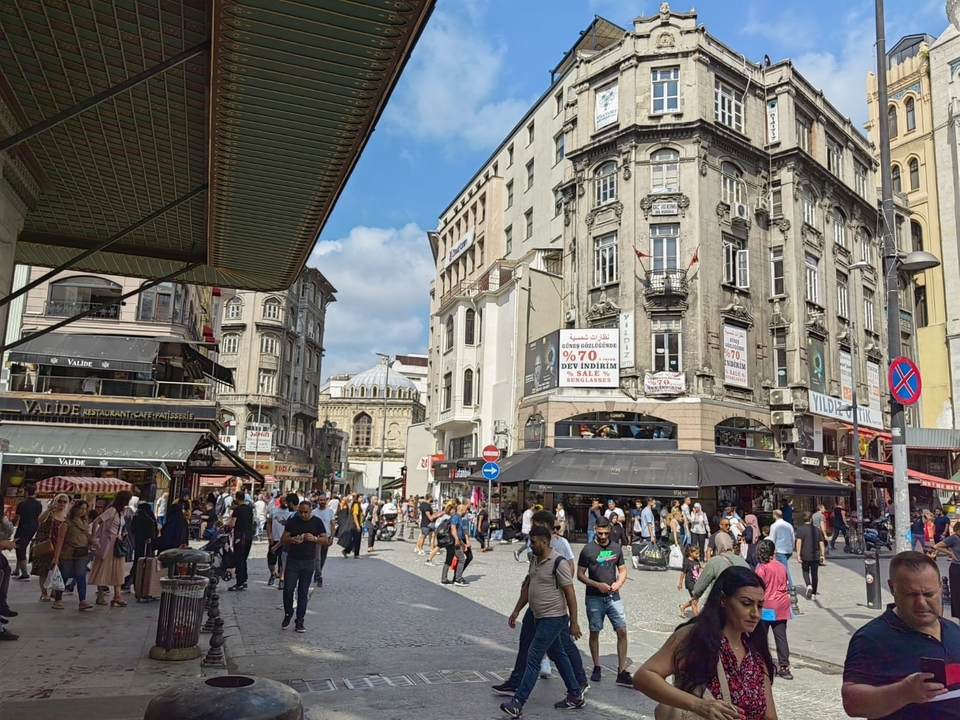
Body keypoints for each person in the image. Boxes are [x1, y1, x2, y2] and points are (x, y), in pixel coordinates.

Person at [633, 566, 778, 720]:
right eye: (746, 603)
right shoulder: (694, 638)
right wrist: (699, 705)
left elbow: (769, 715)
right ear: (723, 600)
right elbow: (643, 677)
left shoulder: (755, 650)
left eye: (760, 605)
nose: (755, 613)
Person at [842, 551, 960, 719]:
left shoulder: (955, 631)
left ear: (940, 586)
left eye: (929, 594)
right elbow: (851, 704)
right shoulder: (871, 639)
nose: (921, 603)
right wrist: (903, 692)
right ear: (892, 588)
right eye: (911, 594)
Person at [500, 526, 585, 718]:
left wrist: (575, 623)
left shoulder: (558, 563)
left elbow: (570, 595)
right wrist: (516, 610)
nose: (531, 545)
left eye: (534, 542)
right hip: (539, 616)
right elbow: (528, 587)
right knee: (558, 654)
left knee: (534, 656)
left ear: (545, 542)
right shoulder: (534, 559)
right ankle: (575, 694)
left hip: (554, 618)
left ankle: (518, 702)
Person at [577, 516, 631, 685]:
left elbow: (622, 570)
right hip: (594, 597)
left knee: (622, 630)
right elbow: (579, 574)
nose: (602, 537)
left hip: (613, 596)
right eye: (600, 533)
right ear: (595, 531)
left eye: (606, 533)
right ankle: (597, 666)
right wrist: (596, 584)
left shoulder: (616, 548)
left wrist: (619, 583)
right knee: (595, 631)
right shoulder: (588, 550)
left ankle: (621, 671)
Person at [279, 500, 329, 633]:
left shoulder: (317, 522)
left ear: (310, 511)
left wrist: (314, 539)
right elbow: (283, 538)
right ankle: (288, 613)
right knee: (288, 589)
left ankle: (300, 620)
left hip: (308, 561)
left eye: (305, 512)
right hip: (292, 560)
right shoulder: (293, 521)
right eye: (300, 512)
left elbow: (326, 540)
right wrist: (291, 540)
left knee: (303, 592)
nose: (302, 515)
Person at [754, 539, 794, 681]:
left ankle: (762, 663)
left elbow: (758, 587)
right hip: (782, 604)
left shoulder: (761, 568)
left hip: (767, 605)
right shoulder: (781, 566)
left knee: (761, 636)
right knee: (781, 636)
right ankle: (784, 666)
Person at [89, 490, 133, 607]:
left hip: (117, 541)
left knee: (118, 569)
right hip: (109, 542)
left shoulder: (121, 512)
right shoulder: (112, 511)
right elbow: (96, 521)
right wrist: (93, 537)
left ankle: (117, 596)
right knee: (103, 567)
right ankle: (102, 595)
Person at [51, 500, 94, 611]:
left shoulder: (84, 522)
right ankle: (58, 598)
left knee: (81, 576)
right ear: (75, 509)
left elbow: (86, 536)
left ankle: (82, 600)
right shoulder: (66, 523)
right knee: (64, 575)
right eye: (80, 509)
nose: (82, 511)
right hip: (67, 553)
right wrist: (56, 557)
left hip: (81, 553)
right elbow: (60, 541)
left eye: (85, 509)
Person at [691, 532, 750, 608]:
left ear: (717, 545)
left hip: (721, 605)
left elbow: (698, 589)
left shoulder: (715, 561)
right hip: (741, 606)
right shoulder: (743, 562)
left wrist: (696, 597)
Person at [32, 493, 69, 604]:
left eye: (64, 501)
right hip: (46, 544)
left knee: (56, 569)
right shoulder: (49, 513)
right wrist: (49, 510)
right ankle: (44, 593)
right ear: (55, 501)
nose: (62, 503)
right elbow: (40, 519)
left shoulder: (66, 516)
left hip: (59, 546)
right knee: (43, 570)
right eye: (59, 501)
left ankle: (53, 590)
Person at [225, 491, 254, 591]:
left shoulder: (237, 509)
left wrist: (226, 526)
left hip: (240, 536)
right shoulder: (249, 508)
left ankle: (240, 582)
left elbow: (232, 523)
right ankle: (244, 579)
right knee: (244, 558)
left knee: (239, 558)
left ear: (237, 498)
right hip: (249, 535)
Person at [13, 485, 42, 580]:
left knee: (19, 547)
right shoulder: (38, 504)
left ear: (26, 492)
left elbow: (17, 517)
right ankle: (17, 570)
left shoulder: (22, 504)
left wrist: (10, 524)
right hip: (34, 527)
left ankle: (24, 573)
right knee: (23, 546)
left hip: (23, 527)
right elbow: (39, 516)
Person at [128, 502, 158, 594]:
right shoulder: (150, 519)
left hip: (139, 545)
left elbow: (132, 529)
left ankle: (131, 583)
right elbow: (154, 533)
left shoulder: (138, 518)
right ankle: (139, 585)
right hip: (147, 546)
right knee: (144, 566)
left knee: (138, 565)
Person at [268, 493, 297, 587]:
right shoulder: (274, 510)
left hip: (286, 540)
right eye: (283, 500)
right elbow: (269, 523)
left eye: (287, 501)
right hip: (275, 538)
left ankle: (282, 579)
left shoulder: (292, 513)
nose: (285, 503)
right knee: (271, 560)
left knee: (283, 560)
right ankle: (273, 573)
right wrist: (269, 535)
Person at [794, 511, 826, 599]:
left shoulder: (800, 529)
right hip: (815, 555)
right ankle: (814, 593)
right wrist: (822, 554)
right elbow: (821, 543)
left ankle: (808, 585)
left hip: (805, 554)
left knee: (805, 571)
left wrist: (798, 554)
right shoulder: (817, 530)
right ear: (811, 519)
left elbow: (799, 542)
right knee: (814, 574)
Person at [441, 503, 472, 587]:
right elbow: (453, 528)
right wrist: (457, 540)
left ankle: (444, 579)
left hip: (451, 541)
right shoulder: (456, 517)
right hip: (453, 541)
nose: (466, 512)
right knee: (461, 558)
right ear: (461, 510)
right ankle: (458, 579)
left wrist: (463, 543)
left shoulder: (458, 517)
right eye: (465, 511)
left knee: (449, 559)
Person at [311, 494, 336, 587]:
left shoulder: (330, 512)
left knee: (323, 557)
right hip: (317, 537)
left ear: (326, 501)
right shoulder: (313, 512)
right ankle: (319, 575)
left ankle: (318, 571)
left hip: (327, 537)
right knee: (317, 557)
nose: (322, 501)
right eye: (320, 500)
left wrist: (332, 537)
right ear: (318, 501)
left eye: (324, 500)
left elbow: (332, 525)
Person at [768, 509, 796, 592]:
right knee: (781, 568)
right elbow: (793, 538)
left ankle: (790, 586)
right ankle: (782, 584)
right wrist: (792, 548)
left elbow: (772, 539)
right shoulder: (788, 525)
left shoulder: (774, 526)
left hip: (780, 550)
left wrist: (772, 551)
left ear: (775, 515)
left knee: (784, 568)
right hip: (788, 549)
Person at [678, 543, 702, 618]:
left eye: (698, 553)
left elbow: (700, 566)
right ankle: (696, 618)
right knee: (695, 601)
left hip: (696, 582)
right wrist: (680, 583)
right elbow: (682, 573)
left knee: (696, 600)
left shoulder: (696, 560)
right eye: (696, 553)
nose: (698, 555)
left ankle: (683, 606)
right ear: (691, 553)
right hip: (690, 583)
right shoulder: (687, 562)